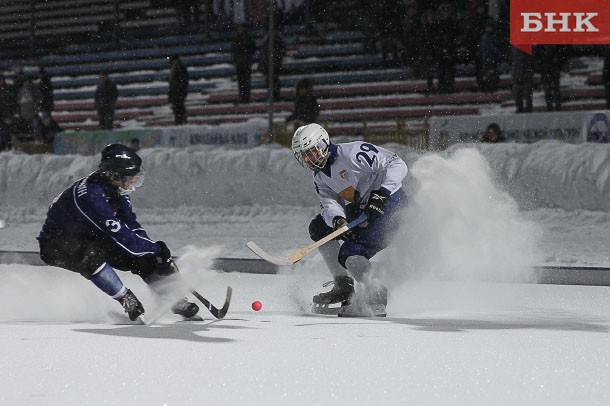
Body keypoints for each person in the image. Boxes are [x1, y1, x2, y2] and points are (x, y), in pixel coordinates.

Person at [37, 144, 200, 321]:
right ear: (113, 175)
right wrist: (155, 249)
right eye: (130, 177)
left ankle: (173, 299)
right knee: (92, 256)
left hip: (92, 235)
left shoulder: (117, 189)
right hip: (57, 244)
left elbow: (131, 224)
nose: (133, 182)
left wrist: (155, 254)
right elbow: (123, 237)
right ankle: (126, 298)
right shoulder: (91, 196)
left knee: (146, 256)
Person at [291, 123, 408, 317]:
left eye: (311, 152)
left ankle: (376, 292)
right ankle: (343, 286)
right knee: (319, 228)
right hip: (363, 207)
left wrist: (382, 194)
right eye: (304, 155)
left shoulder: (354, 153)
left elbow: (397, 164)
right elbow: (329, 203)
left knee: (350, 254)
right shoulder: (320, 176)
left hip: (391, 207)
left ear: (323, 144)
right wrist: (338, 220)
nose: (308, 159)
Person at [232, 24, 256, 104]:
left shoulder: (247, 38)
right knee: (241, 81)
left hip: (245, 62)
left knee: (246, 80)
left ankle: (246, 97)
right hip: (240, 62)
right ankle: (242, 96)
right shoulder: (237, 39)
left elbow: (252, 49)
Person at [260, 29, 285, 101]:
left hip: (274, 64)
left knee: (274, 80)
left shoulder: (276, 41)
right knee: (270, 81)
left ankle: (275, 95)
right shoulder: (267, 42)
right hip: (269, 64)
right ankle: (272, 95)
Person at [168, 55, 189, 125]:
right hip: (175, 93)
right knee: (176, 109)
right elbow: (172, 84)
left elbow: (183, 82)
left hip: (179, 93)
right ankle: (179, 122)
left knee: (180, 108)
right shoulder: (173, 69)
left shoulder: (181, 68)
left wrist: (181, 91)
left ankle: (182, 122)